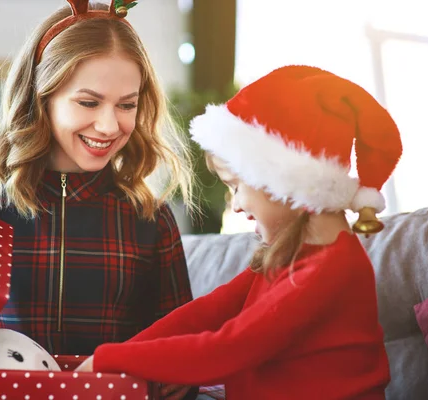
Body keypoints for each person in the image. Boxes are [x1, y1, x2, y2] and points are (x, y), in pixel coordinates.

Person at [0, 1, 197, 398]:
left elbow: (184, 359)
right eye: (88, 102)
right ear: (42, 97)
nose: (109, 125)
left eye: (127, 104)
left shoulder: (150, 220)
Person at [76, 65, 404, 399]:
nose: (234, 205)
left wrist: (111, 359)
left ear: (281, 183)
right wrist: (120, 357)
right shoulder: (289, 254)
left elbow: (230, 347)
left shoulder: (330, 269)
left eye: (235, 187)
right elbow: (204, 314)